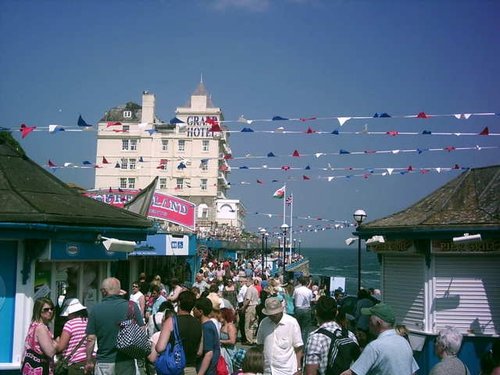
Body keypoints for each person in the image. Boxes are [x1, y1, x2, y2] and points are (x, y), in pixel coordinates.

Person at [85, 277, 145, 375]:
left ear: (103, 291)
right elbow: (142, 331)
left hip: (104, 361)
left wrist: (89, 360)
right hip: (126, 360)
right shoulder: (132, 306)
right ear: (120, 291)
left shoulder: (96, 310)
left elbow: (91, 339)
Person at [340, 303, 419, 375]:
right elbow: (413, 372)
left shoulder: (375, 347)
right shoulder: (404, 342)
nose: (368, 322)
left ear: (378, 323)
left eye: (370, 319)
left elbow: (352, 373)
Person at [305, 296, 360, 375]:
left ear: (316, 312)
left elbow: (311, 372)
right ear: (336, 313)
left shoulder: (316, 338)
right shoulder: (349, 335)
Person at [155, 290, 202, 375]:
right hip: (191, 369)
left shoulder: (171, 321)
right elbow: (199, 352)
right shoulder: (199, 324)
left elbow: (160, 348)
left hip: (174, 368)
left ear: (179, 303)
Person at [256, 296, 303, 375]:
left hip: (287, 370)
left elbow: (298, 347)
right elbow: (260, 345)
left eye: (275, 314)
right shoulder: (264, 323)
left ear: (281, 311)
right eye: (270, 315)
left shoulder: (291, 322)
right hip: (268, 370)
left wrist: (298, 368)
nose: (272, 317)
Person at [22, 297, 57, 374]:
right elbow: (50, 352)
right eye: (46, 309)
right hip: (40, 368)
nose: (50, 311)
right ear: (39, 311)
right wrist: (56, 344)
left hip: (29, 367)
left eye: (51, 309)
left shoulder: (33, 325)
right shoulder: (41, 328)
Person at [55, 298, 89, 374]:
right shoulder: (89, 322)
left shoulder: (70, 324)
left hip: (75, 364)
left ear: (71, 312)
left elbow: (61, 347)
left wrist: (56, 342)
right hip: (89, 362)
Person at [193, 297, 221, 375]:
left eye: (195, 308)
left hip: (207, 371)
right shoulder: (209, 324)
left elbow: (208, 354)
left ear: (200, 311)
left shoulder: (206, 327)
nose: (193, 310)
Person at [293, 276, 314, 344]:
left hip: (298, 309)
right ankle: (303, 344)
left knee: (297, 327)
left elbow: (294, 299)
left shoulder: (296, 290)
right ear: (307, 282)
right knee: (305, 329)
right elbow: (310, 301)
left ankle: (296, 343)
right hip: (306, 309)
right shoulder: (309, 291)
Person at [241, 277, 260, 344]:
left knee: (247, 325)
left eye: (246, 281)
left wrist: (243, 307)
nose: (245, 283)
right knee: (252, 324)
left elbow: (248, 300)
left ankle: (249, 340)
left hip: (250, 307)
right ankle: (252, 338)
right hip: (255, 306)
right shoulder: (254, 289)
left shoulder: (249, 289)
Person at [220, 307, 237, 373]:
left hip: (230, 352)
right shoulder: (222, 326)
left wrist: (220, 341)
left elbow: (232, 341)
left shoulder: (230, 326)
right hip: (223, 351)